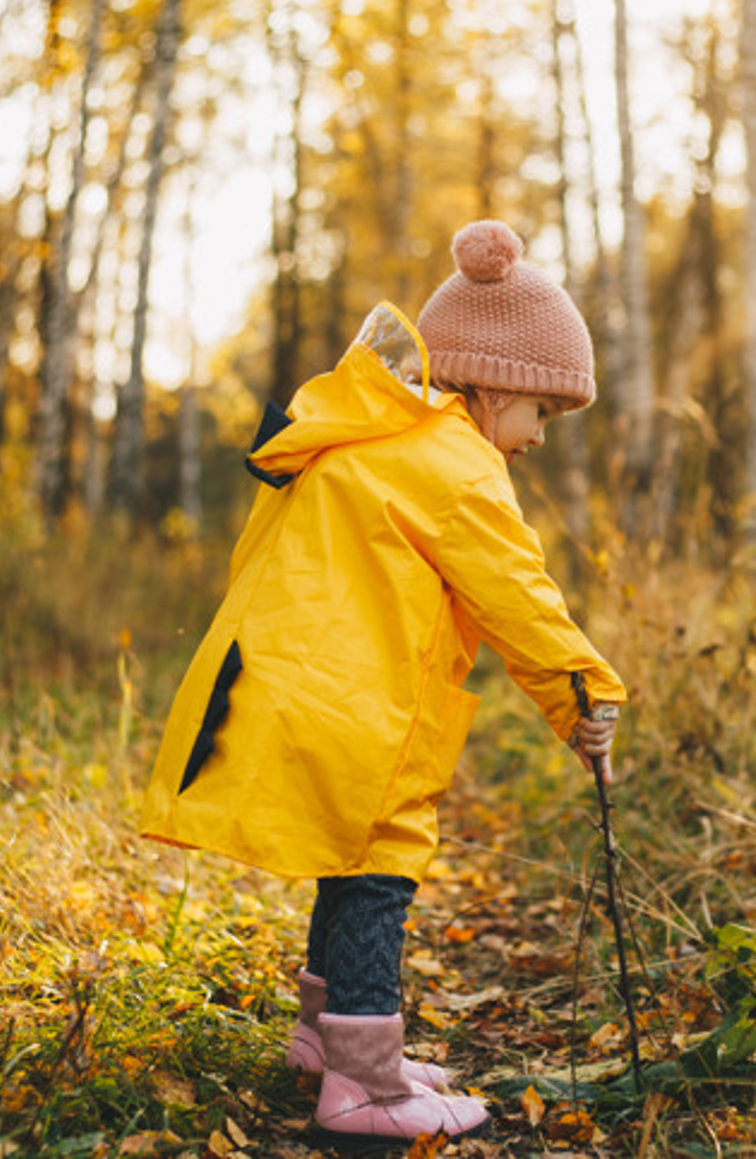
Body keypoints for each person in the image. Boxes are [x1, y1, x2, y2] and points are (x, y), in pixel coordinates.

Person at [140, 219, 626, 1146]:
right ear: (496, 387)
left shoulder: (375, 438)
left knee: (347, 857)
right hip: (360, 705)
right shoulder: (454, 467)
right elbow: (520, 599)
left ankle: (325, 1039)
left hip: (300, 683)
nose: (538, 439)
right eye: (542, 415)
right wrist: (583, 699)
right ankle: (364, 1089)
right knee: (378, 867)